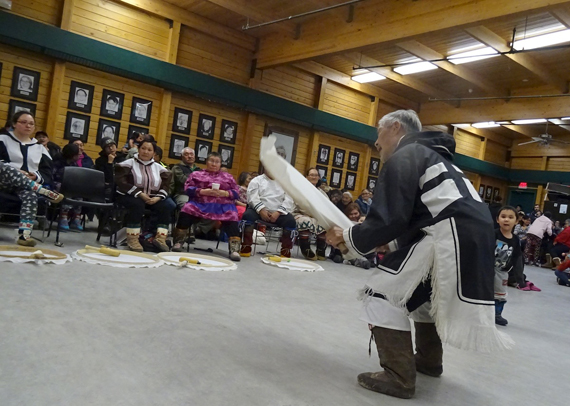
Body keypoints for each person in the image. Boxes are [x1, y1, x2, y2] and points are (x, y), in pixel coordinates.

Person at [326, 110, 507, 399]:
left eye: (378, 132)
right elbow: (417, 216)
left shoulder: (407, 154)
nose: (376, 143)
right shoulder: (437, 159)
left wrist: (348, 237)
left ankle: (398, 378)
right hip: (473, 234)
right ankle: (428, 360)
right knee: (423, 293)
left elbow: (390, 219)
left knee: (382, 294)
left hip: (448, 233)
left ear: (396, 128)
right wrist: (388, 243)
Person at [171, 152, 242, 261]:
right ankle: (178, 242)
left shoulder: (228, 177)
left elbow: (236, 192)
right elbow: (188, 189)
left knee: (232, 214)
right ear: (206, 162)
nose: (214, 164)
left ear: (220, 164)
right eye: (211, 161)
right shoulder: (196, 174)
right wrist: (203, 191)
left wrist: (225, 193)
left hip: (222, 205)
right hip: (200, 203)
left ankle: (234, 249)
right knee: (187, 209)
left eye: (217, 162)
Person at [115, 139, 174, 252]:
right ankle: (133, 239)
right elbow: (121, 183)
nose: (146, 152)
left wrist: (158, 197)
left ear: (153, 153)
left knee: (167, 205)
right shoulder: (126, 164)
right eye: (143, 148)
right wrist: (140, 194)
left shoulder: (160, 169)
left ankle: (160, 238)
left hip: (152, 198)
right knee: (137, 204)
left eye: (149, 150)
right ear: (138, 149)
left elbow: (166, 186)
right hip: (129, 196)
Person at [0, 161, 63, 245]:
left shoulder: (40, 151)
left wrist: (35, 177)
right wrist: (15, 170)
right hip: (4, 179)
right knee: (4, 168)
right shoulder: (5, 147)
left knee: (30, 195)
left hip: (20, 183)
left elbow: (46, 173)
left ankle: (24, 235)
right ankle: (43, 191)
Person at [241, 169, 296, 258]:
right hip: (259, 210)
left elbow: (289, 200)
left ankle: (285, 250)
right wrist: (261, 210)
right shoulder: (256, 180)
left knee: (290, 221)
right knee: (247, 215)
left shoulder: (285, 183)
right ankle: (246, 247)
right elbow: (252, 197)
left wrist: (278, 212)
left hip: (278, 212)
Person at [0, 112, 53, 185]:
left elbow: (47, 172)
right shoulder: (2, 140)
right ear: (14, 124)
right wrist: (15, 172)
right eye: (23, 122)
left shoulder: (40, 148)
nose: (28, 126)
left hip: (30, 186)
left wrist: (35, 177)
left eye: (31, 124)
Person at [493, 206, 522, 326]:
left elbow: (517, 258)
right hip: (487, 269)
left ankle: (497, 314)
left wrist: (519, 278)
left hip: (503, 271)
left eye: (510, 217)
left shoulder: (515, 240)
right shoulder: (493, 234)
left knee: (500, 293)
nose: (506, 220)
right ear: (497, 219)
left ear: (516, 221)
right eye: (503, 217)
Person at [293, 168, 328, 260]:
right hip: (300, 214)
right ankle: (305, 248)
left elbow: (327, 207)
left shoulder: (322, 193)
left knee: (325, 223)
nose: (314, 177)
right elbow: (298, 205)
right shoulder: (299, 190)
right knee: (306, 220)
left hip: (316, 217)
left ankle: (320, 249)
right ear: (306, 177)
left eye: (316, 175)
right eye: (312, 175)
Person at [52, 143, 83, 231]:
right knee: (67, 190)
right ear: (73, 155)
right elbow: (51, 176)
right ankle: (63, 216)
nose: (80, 154)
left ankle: (76, 217)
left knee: (79, 191)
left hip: (70, 185)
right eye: (78, 153)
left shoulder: (74, 164)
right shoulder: (57, 163)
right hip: (56, 185)